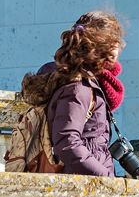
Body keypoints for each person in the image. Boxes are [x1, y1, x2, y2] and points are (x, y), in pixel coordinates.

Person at [24, 10, 125, 176]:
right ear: (104, 44)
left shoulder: (84, 82)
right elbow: (68, 142)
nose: (120, 46)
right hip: (85, 185)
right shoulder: (79, 88)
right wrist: (105, 177)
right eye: (116, 41)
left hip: (87, 180)